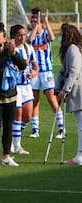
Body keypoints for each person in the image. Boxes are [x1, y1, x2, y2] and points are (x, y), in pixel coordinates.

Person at [0, 22, 27, 167]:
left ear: (4, 39)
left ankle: (7, 156)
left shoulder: (10, 49)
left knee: (8, 126)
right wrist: (7, 53)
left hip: (11, 94)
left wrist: (13, 53)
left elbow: (23, 65)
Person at [27, 7, 64, 139]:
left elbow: (53, 38)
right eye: (32, 21)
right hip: (34, 72)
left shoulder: (45, 35)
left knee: (51, 99)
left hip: (46, 72)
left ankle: (61, 128)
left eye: (36, 21)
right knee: (35, 101)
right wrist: (35, 28)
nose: (33, 23)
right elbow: (29, 41)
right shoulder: (29, 34)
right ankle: (35, 129)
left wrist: (46, 22)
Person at [10, 24, 39, 155]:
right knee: (18, 115)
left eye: (24, 34)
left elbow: (36, 66)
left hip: (27, 86)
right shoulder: (10, 50)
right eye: (19, 35)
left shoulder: (29, 48)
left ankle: (12, 136)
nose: (22, 37)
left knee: (27, 117)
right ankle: (17, 146)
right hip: (15, 87)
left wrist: (34, 73)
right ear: (13, 36)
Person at [55, 23, 82, 165]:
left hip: (79, 91)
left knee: (80, 125)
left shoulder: (72, 49)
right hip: (78, 90)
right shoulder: (75, 49)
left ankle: (80, 156)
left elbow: (74, 70)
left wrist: (65, 90)